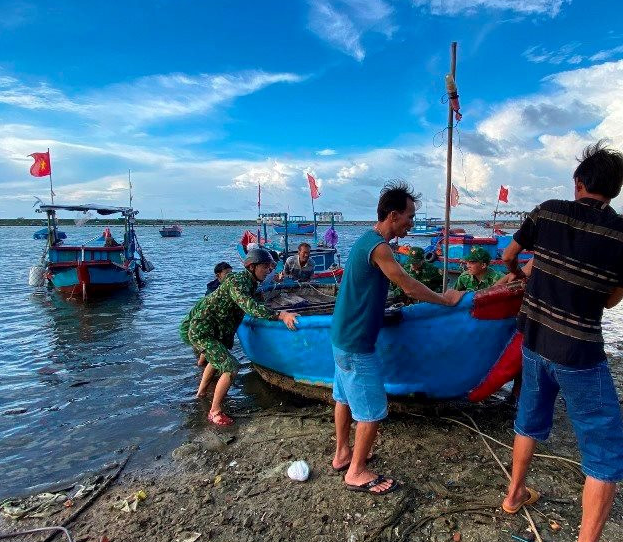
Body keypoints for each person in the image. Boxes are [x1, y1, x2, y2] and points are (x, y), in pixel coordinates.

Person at [500, 140, 623, 542]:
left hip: (535, 341)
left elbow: (507, 257)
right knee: (604, 454)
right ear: (615, 191)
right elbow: (611, 299)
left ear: (578, 183)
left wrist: (532, 276)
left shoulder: (547, 213)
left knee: (529, 419)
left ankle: (513, 496)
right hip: (580, 353)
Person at [331, 181, 464, 494]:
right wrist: (445, 300)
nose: (412, 223)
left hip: (341, 337)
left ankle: (342, 454)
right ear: (393, 215)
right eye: (410, 216)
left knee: (343, 397)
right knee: (373, 411)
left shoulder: (365, 240)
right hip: (357, 344)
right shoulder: (379, 247)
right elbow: (406, 284)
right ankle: (357, 472)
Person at [189, 248, 298, 426]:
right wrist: (281, 315)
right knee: (231, 367)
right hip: (204, 330)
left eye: (270, 267)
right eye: (265, 266)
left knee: (215, 360)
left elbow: (254, 301)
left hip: (213, 330)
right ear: (251, 266)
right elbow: (250, 306)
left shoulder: (249, 282)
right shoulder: (238, 280)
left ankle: (200, 394)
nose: (269, 270)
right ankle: (214, 411)